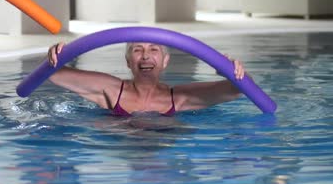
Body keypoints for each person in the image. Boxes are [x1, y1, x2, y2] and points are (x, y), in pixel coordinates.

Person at [46, 41, 247, 116]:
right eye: (137, 50)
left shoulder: (179, 98)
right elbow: (52, 74)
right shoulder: (111, 90)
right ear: (128, 61)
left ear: (165, 60)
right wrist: (56, 55)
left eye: (154, 49)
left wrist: (229, 70)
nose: (145, 56)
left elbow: (239, 88)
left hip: (167, 156)